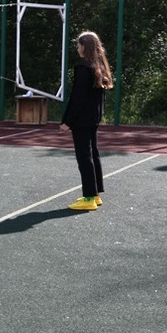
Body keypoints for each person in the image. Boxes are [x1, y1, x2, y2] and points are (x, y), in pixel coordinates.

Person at [59, 30, 114, 211]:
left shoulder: (83, 70)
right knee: (93, 154)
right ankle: (96, 193)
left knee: (84, 157)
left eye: (79, 45)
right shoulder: (99, 68)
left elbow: (78, 98)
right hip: (93, 118)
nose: (77, 48)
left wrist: (67, 121)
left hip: (82, 120)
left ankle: (89, 196)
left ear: (85, 47)